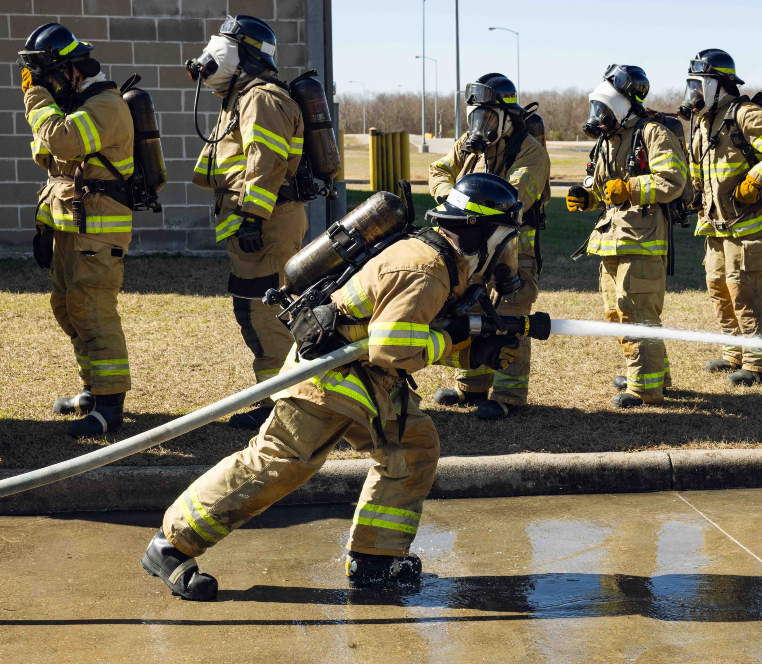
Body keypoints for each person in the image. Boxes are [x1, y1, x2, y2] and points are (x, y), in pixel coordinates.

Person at [141, 173, 526, 600]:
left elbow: (409, 333)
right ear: (481, 232)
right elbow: (394, 348)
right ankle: (170, 545)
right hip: (330, 376)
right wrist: (455, 340)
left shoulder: (445, 264)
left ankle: (374, 558)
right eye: (506, 238)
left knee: (414, 447)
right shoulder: (427, 270)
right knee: (281, 461)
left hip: (366, 380)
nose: (509, 251)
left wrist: (473, 354)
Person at [186, 15, 307, 429]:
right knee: (253, 311)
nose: (210, 56)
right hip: (256, 223)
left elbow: (266, 160)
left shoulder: (261, 98)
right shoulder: (240, 96)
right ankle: (275, 398)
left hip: (267, 224)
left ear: (243, 57)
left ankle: (287, 404)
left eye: (219, 48)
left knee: (266, 314)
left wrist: (253, 217)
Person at [20, 23, 135, 436]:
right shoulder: (76, 106)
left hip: (99, 233)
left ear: (72, 70)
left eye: (48, 79)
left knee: (94, 310)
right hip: (70, 228)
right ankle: (92, 390)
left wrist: (37, 100)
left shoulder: (106, 106)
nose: (44, 88)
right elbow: (46, 153)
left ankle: (110, 406)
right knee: (68, 308)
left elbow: (64, 143)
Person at [428, 73, 550, 421]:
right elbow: (438, 171)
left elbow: (512, 199)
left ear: (508, 118)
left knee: (510, 315)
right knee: (468, 312)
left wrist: (458, 199)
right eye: (476, 115)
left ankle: (509, 395)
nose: (479, 125)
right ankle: (471, 385)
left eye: (488, 117)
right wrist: (445, 194)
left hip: (513, 251)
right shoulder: (469, 143)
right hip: (469, 248)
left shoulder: (531, 153)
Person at [566, 64, 687, 408]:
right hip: (610, 240)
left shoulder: (653, 133)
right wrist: (588, 197)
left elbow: (672, 181)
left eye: (603, 108)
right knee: (615, 315)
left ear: (622, 105)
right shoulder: (609, 140)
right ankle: (652, 375)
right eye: (596, 109)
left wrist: (631, 187)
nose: (598, 116)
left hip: (643, 240)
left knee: (636, 313)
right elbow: (605, 190)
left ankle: (645, 389)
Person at [679, 49, 762, 385]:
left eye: (698, 85)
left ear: (718, 84)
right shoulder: (703, 122)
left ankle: (761, 364)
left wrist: (754, 181)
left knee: (750, 291)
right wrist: (694, 198)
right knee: (720, 289)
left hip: (750, 224)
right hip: (717, 225)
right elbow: (699, 167)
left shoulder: (745, 113)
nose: (694, 93)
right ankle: (735, 352)